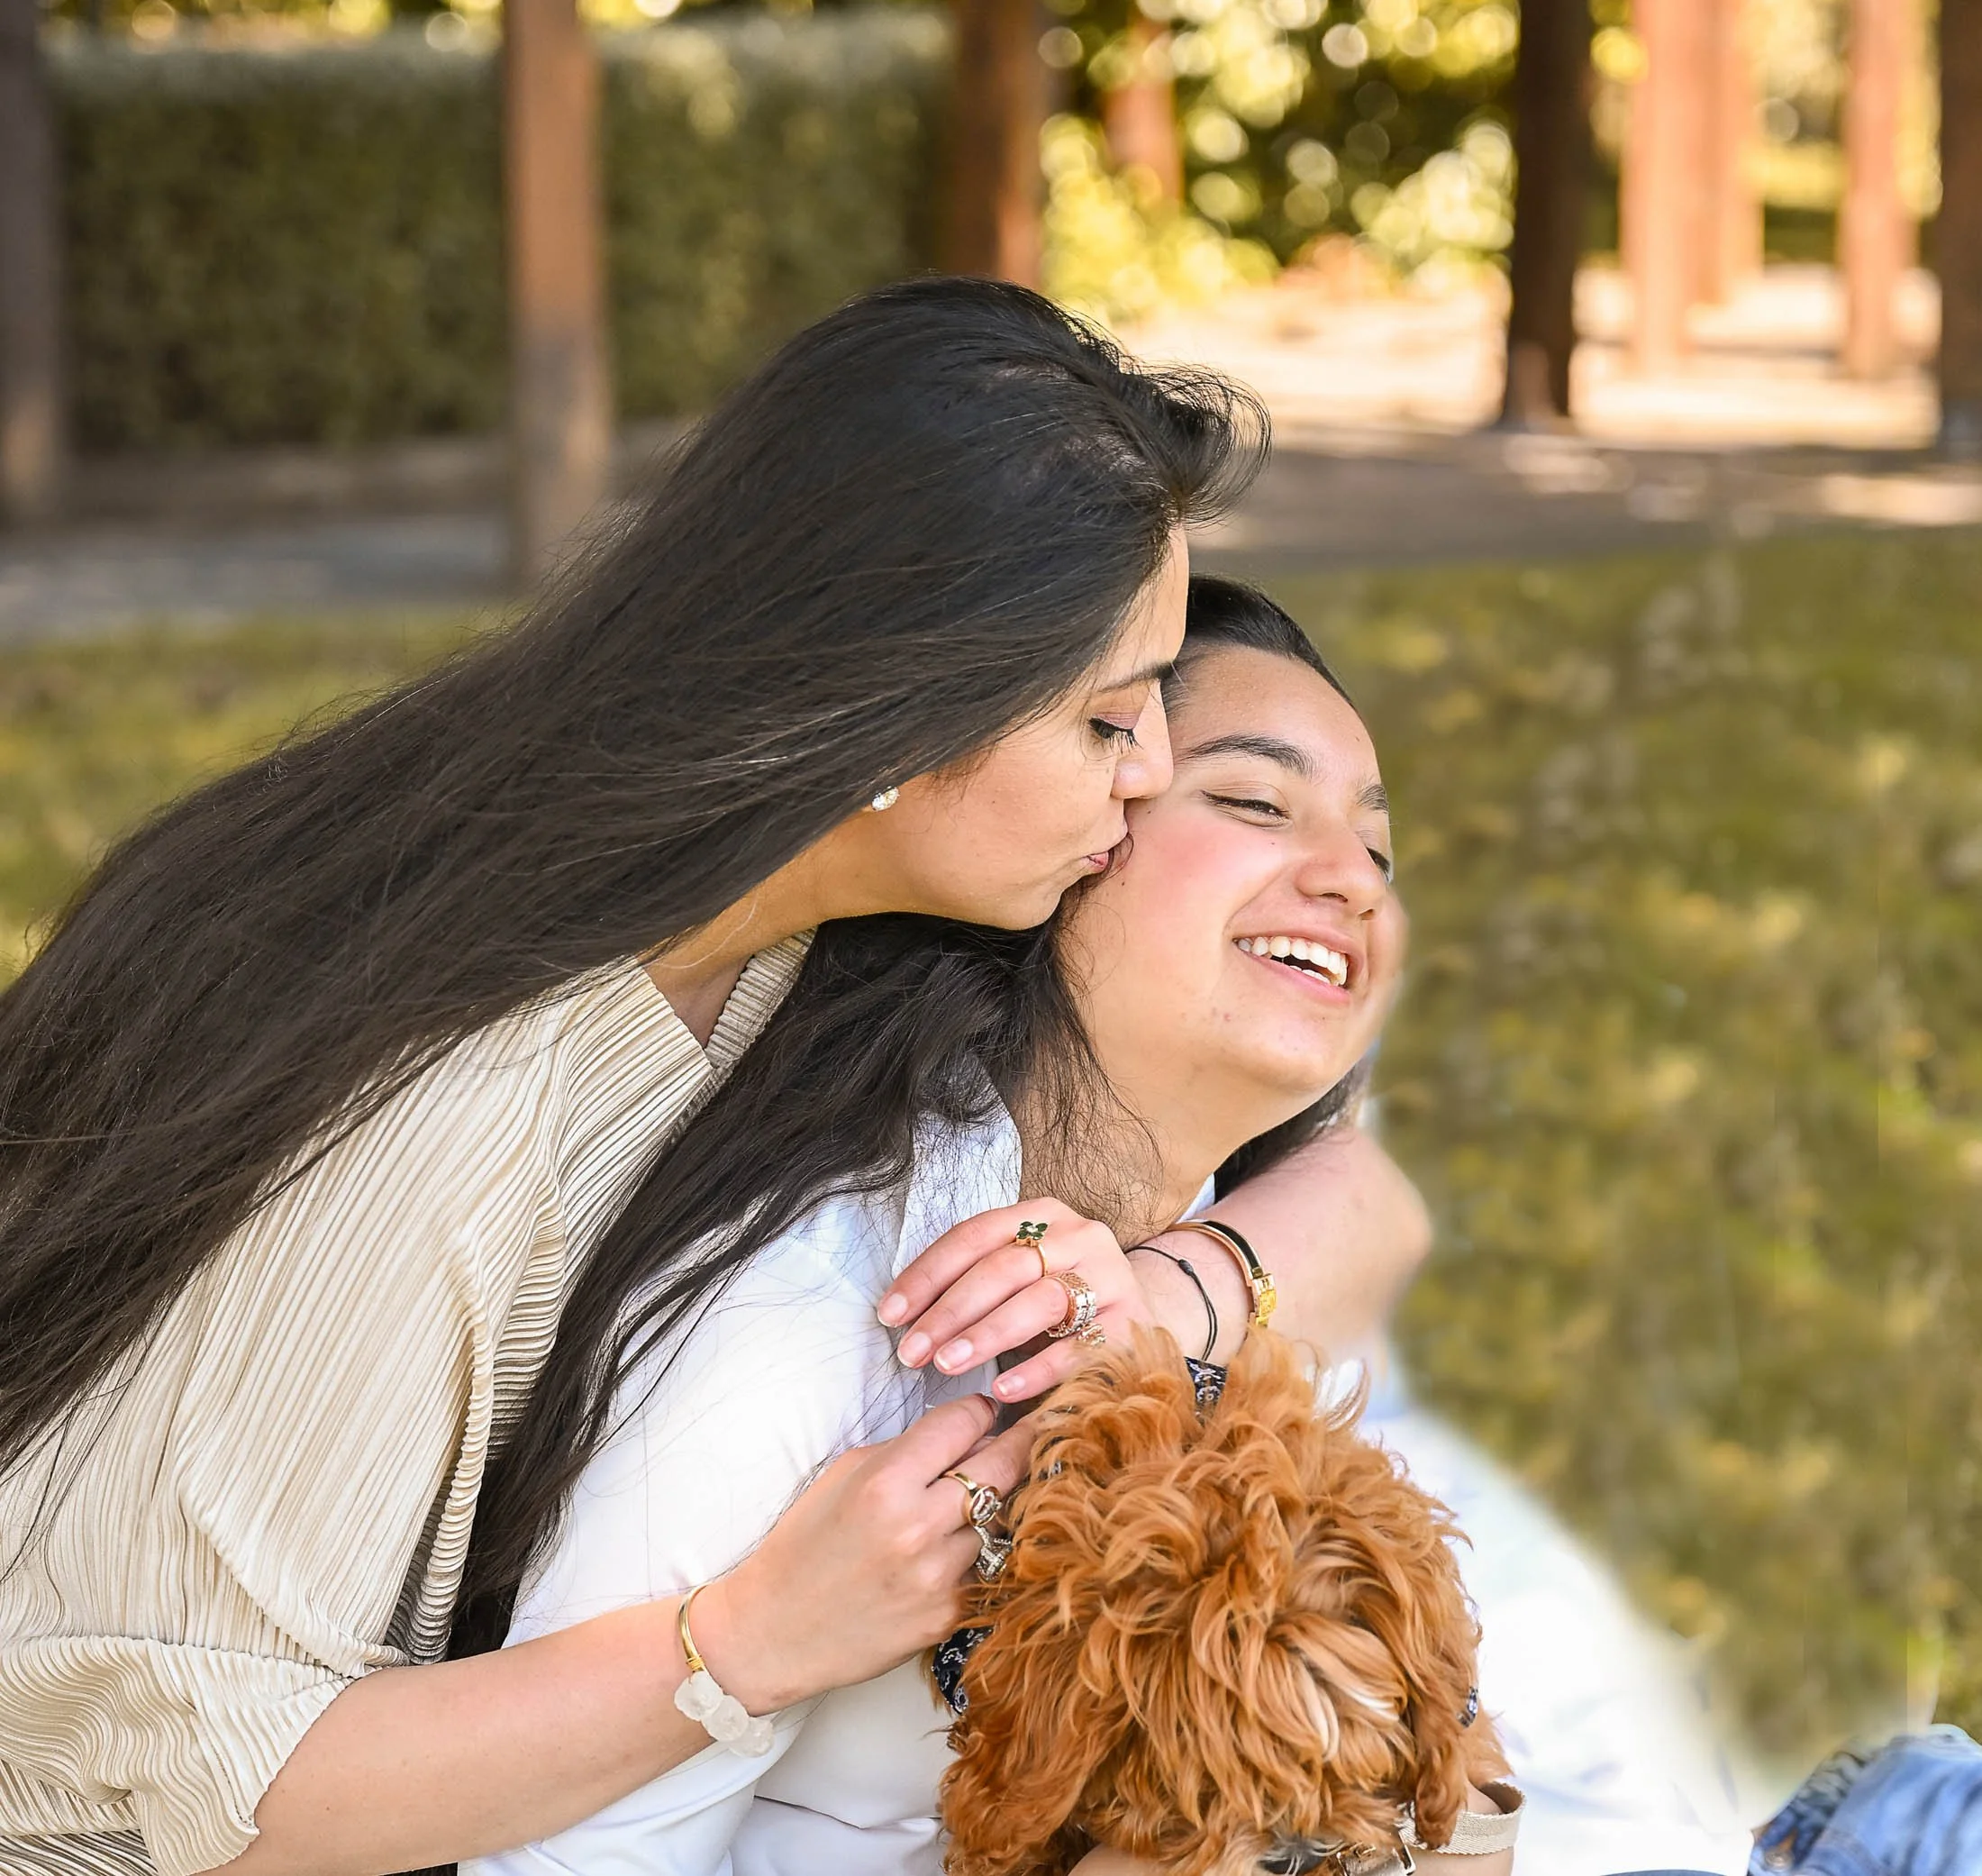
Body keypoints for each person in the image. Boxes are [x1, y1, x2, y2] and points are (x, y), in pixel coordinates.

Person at [0, 283, 1371, 1876]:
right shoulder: (455, 1091)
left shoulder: (801, 935)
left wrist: (1179, 1281)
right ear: (905, 705)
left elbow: (1348, 1154)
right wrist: (749, 1640)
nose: (1148, 776)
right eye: (1109, 719)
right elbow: (202, 1795)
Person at [464, 573, 1523, 1875]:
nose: (1353, 882)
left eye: (1379, 850)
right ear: (1082, 828)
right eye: (1254, 800)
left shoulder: (1247, 1305)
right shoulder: (809, 1317)